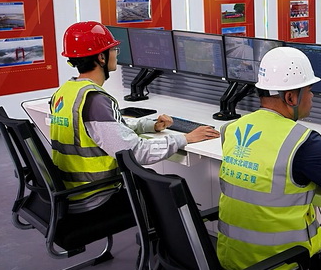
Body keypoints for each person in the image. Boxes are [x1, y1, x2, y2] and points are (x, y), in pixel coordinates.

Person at [216, 46, 321, 270]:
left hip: (231, 262)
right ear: (291, 98)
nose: (312, 96)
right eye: (309, 90)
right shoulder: (302, 141)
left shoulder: (232, 128)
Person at [50, 21, 219, 211]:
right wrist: (185, 138)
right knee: (171, 191)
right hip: (96, 195)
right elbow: (136, 152)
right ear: (101, 58)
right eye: (113, 50)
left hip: (73, 189)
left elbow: (100, 131)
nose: (116, 54)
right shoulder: (95, 100)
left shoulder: (66, 93)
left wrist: (149, 126)